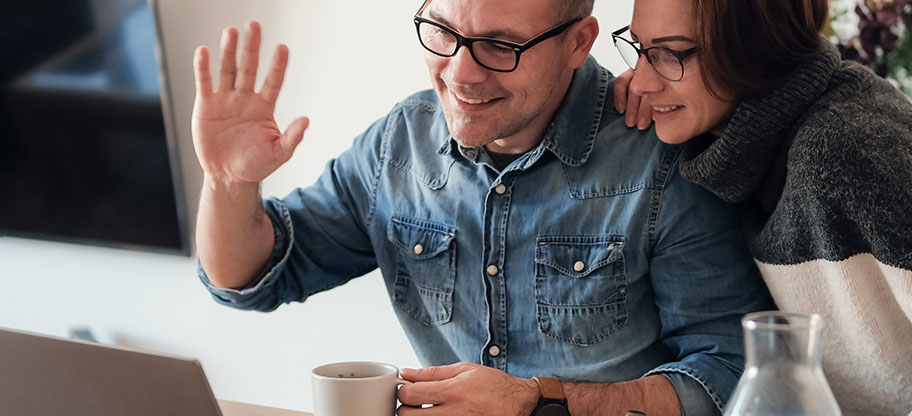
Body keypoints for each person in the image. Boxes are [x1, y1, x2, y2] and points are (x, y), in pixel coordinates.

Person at [190, 0, 774, 414]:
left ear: (578, 42)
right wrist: (225, 182)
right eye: (442, 31)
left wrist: (542, 403)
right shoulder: (399, 145)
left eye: (501, 45)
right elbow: (253, 276)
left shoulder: (661, 157)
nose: (462, 73)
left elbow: (732, 378)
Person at [612, 0, 912, 413]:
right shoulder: (748, 148)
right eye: (641, 48)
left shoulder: (844, 144)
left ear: (751, 48)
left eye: (671, 53)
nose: (643, 78)